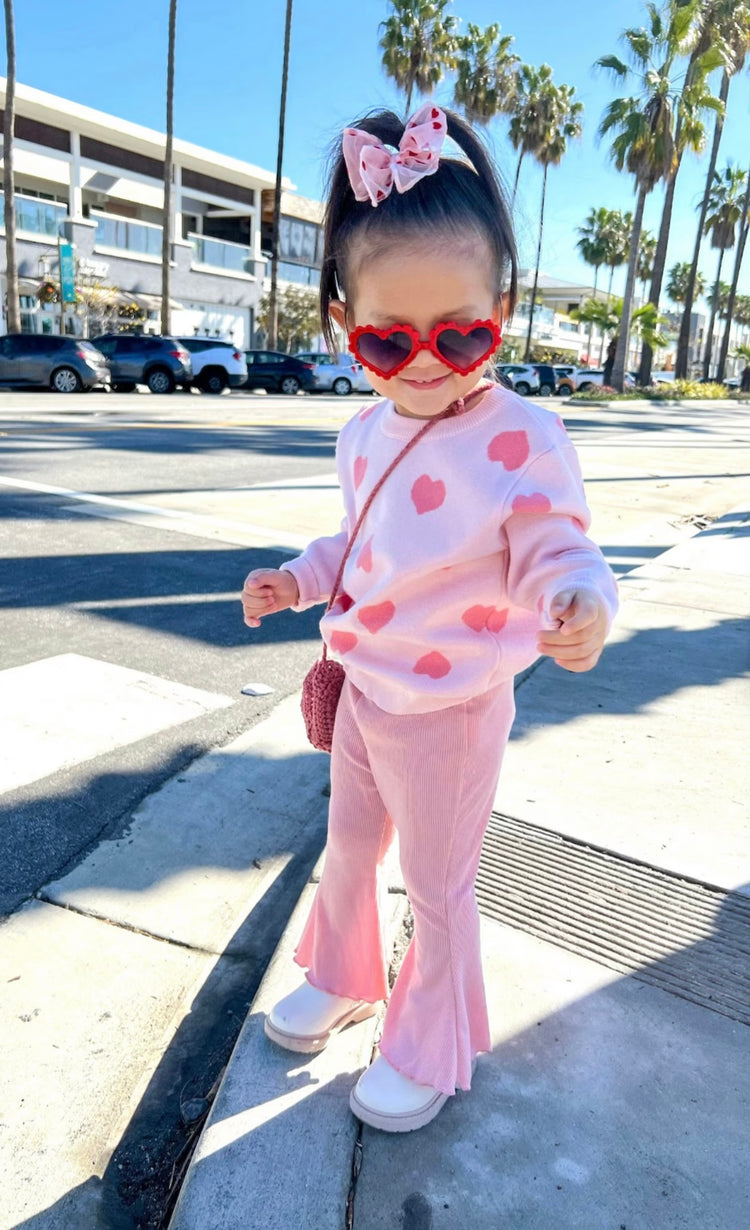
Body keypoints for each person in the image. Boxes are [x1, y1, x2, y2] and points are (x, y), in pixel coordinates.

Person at [241, 103, 619, 1134]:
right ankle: (341, 975)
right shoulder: (364, 433)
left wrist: (579, 599)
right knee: (348, 849)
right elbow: (360, 543)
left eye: (462, 334)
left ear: (503, 308)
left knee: (439, 887)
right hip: (367, 693)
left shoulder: (522, 437)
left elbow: (557, 544)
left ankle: (428, 1042)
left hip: (452, 710)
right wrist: (298, 579)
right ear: (343, 323)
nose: (425, 362)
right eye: (386, 338)